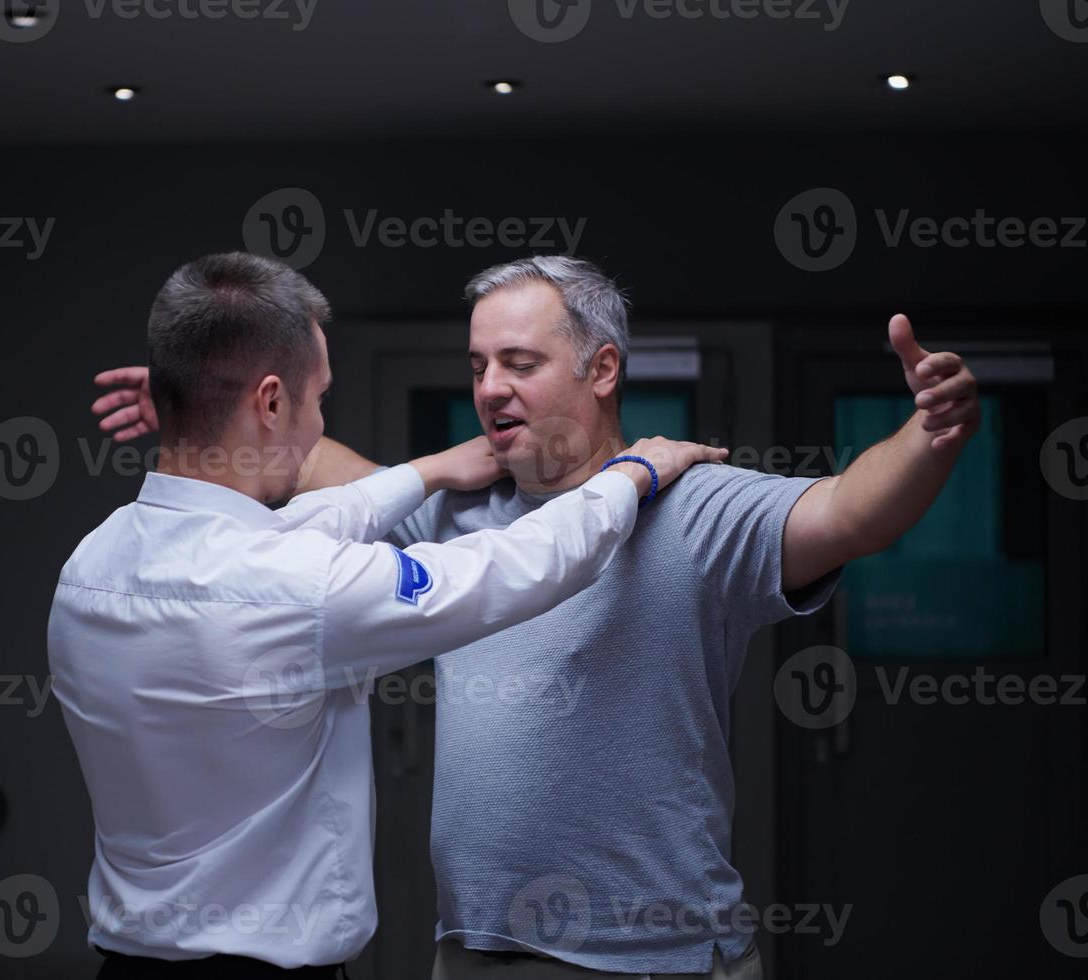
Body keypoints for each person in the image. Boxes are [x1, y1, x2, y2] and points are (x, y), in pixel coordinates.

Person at [92, 255, 981, 979]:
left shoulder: (694, 505)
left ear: (601, 369)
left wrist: (929, 434)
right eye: (478, 365)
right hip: (472, 949)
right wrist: (206, 400)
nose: (489, 387)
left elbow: (851, 511)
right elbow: (330, 468)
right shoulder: (456, 517)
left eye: (520, 363)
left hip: (645, 959)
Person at [49, 251, 728, 979]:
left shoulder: (91, 566)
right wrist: (634, 474)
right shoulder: (293, 587)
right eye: (319, 401)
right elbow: (514, 567)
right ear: (272, 403)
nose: (317, 436)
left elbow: (289, 537)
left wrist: (428, 472)